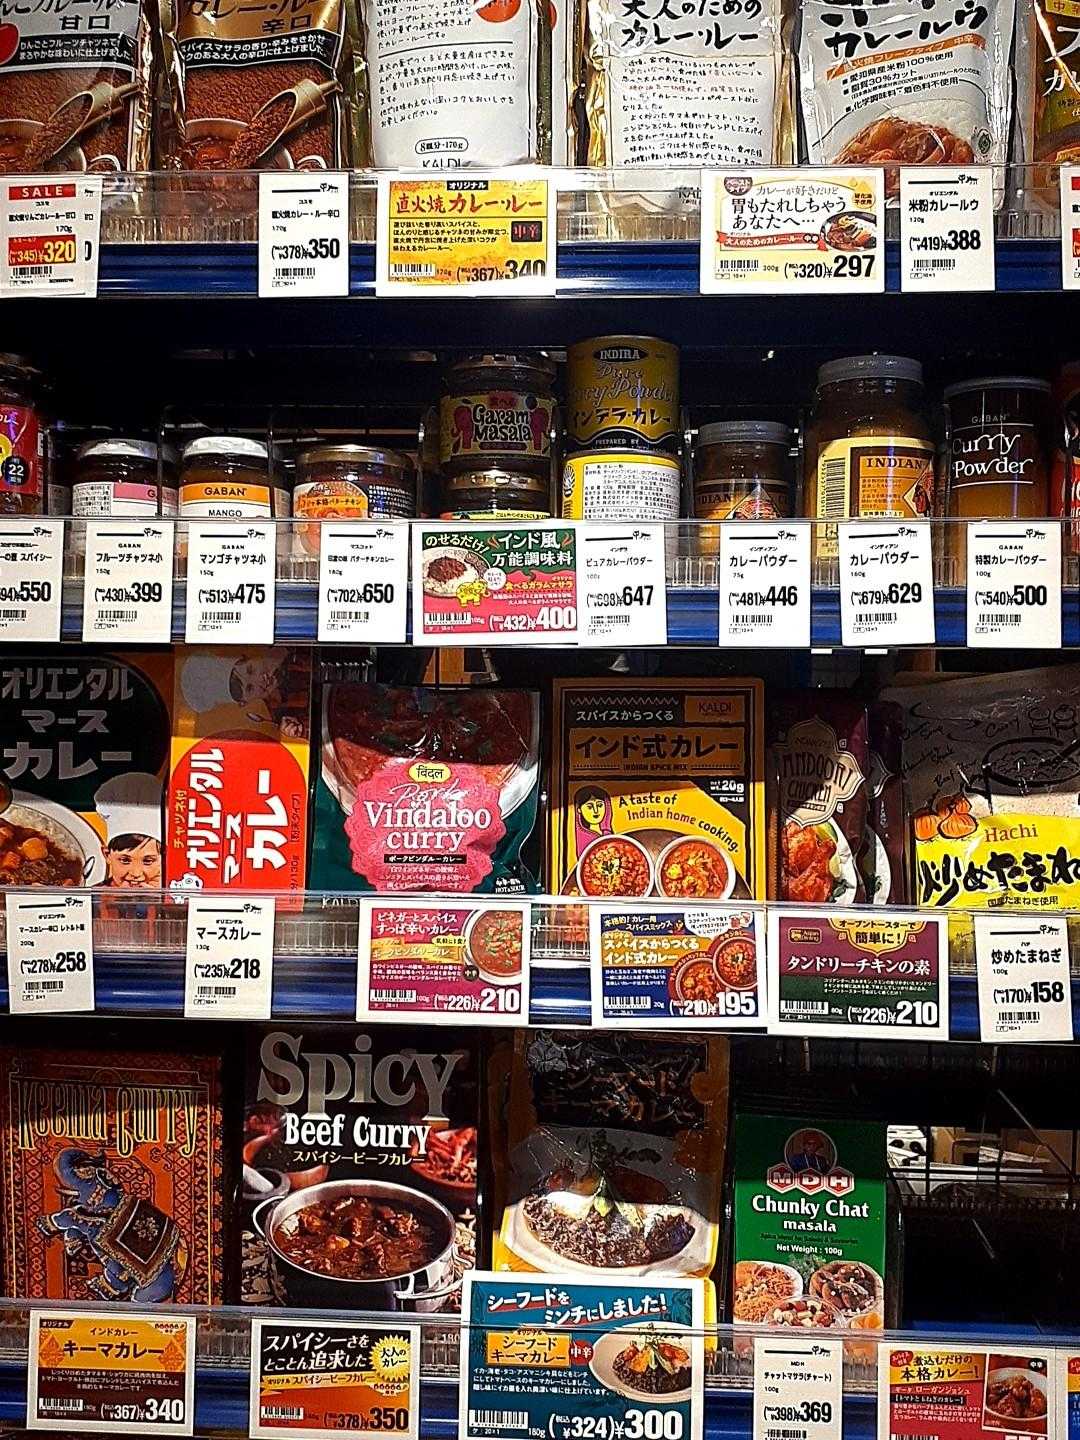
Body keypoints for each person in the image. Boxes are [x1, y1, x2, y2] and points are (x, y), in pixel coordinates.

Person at [95, 773, 163, 889]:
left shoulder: (175, 893)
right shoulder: (94, 895)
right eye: (125, 860)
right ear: (107, 855)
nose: (136, 873)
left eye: (148, 861)